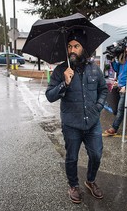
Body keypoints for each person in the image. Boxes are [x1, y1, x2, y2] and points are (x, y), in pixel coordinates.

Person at [45, 29, 108, 204]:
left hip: (92, 122)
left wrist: (98, 106)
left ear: (83, 49)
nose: (72, 50)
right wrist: (64, 83)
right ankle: (73, 185)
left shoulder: (94, 70)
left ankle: (90, 180)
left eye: (76, 46)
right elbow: (49, 96)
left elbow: (103, 89)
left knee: (96, 154)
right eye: (70, 46)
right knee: (72, 157)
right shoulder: (61, 70)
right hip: (71, 124)